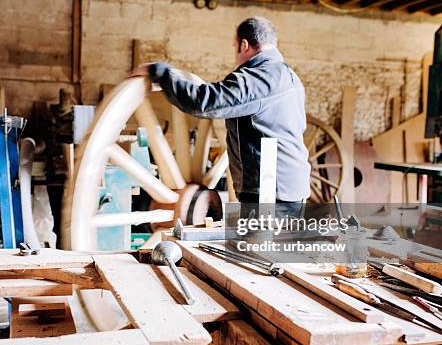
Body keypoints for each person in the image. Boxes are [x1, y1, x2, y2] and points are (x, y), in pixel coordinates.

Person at [132, 16, 310, 206]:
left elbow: (203, 102)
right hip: (291, 185)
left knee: (263, 236)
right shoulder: (290, 77)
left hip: (270, 190)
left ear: (244, 45)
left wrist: (160, 73)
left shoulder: (259, 78)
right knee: (280, 236)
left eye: (235, 47)